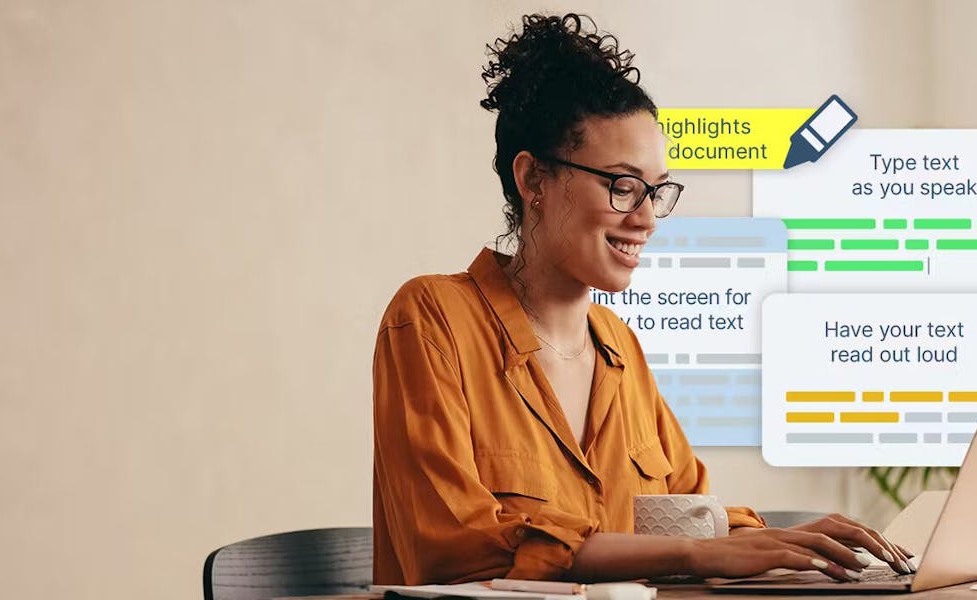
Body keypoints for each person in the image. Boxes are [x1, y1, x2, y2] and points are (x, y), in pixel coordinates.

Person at [372, 13, 914, 585]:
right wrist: (692, 555)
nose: (648, 218)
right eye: (623, 186)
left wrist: (778, 540)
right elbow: (460, 550)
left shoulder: (618, 345)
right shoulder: (432, 320)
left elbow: (689, 517)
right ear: (533, 181)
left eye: (657, 191)